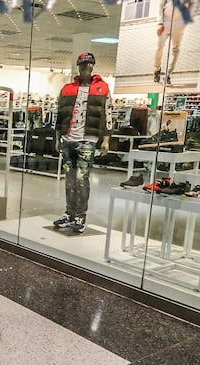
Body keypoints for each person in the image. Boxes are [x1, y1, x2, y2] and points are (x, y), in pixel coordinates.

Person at [53, 52, 113, 234]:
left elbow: (108, 114)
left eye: (89, 65)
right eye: (83, 65)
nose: (86, 68)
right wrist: (58, 137)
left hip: (88, 139)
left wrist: (106, 139)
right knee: (70, 180)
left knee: (81, 178)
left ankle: (80, 216)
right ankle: (70, 214)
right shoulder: (67, 89)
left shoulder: (102, 88)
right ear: (78, 67)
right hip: (68, 138)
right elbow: (60, 114)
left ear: (93, 66)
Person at [153, 0, 192, 86]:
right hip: (166, 22)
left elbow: (192, 3)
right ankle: (157, 69)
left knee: (175, 49)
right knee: (159, 47)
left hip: (179, 24)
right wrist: (159, 22)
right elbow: (160, 4)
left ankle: (168, 74)